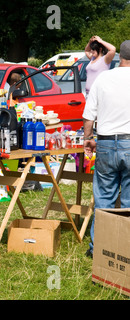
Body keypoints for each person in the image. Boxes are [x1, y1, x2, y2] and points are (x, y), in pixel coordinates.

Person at [82, 39, 130, 257]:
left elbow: (88, 115)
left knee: (103, 198)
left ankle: (98, 249)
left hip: (106, 142)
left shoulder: (104, 77)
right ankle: (125, 248)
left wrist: (88, 139)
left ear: (120, 56)